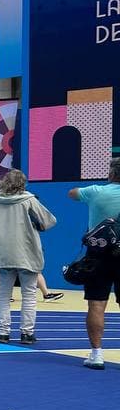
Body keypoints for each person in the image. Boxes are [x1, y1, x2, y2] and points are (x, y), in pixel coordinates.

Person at [0, 169, 56, 344]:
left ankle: (3, 333)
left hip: (2, 253)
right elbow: (49, 222)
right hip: (26, 252)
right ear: (23, 183)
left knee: (3, 295)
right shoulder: (29, 200)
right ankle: (27, 333)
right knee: (29, 294)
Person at [69, 157, 120, 369]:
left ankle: (97, 354)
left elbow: (72, 193)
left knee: (97, 303)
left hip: (98, 254)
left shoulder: (96, 192)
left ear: (111, 173)